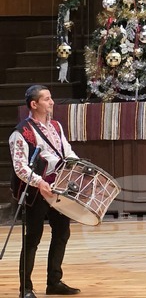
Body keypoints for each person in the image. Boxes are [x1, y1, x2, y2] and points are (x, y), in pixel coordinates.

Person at [8, 85, 81, 297]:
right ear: (34, 104)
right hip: (34, 191)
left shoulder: (56, 126)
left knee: (62, 233)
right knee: (32, 237)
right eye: (47, 99)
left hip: (57, 188)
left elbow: (66, 151)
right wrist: (40, 182)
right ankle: (26, 289)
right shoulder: (21, 133)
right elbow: (20, 166)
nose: (52, 102)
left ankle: (54, 282)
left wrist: (78, 165)